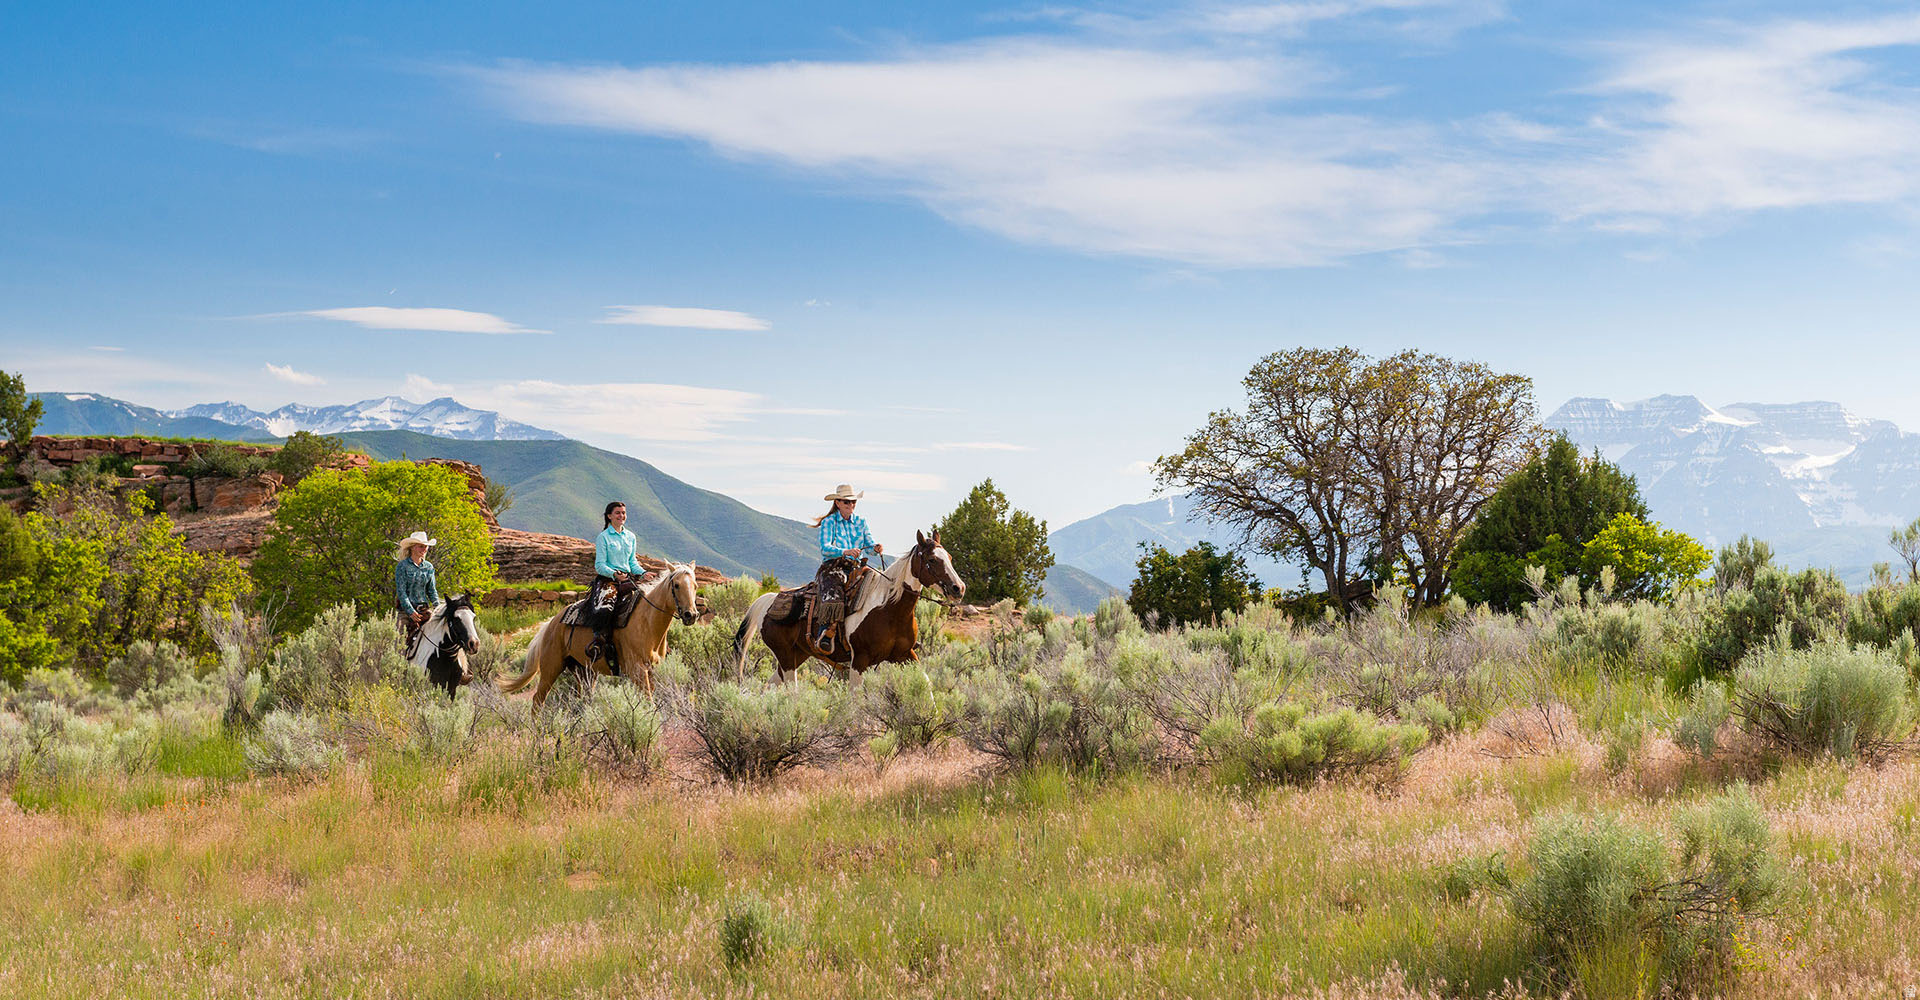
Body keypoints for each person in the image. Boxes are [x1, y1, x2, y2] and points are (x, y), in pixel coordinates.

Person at [811, 484, 882, 653]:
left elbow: (869, 545)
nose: (850, 505)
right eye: (846, 502)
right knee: (833, 593)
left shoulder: (861, 522)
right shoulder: (829, 522)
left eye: (853, 502)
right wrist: (844, 551)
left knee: (878, 586)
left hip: (856, 567)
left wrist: (875, 548)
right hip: (833, 567)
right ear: (837, 503)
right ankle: (825, 634)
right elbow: (825, 547)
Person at [587, 501, 647, 673]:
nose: (622, 516)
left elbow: (632, 562)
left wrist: (643, 573)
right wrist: (614, 574)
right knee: (606, 606)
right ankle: (599, 640)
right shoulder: (603, 537)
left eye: (623, 513)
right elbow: (599, 565)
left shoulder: (631, 537)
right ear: (609, 516)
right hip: (609, 580)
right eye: (618, 513)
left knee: (649, 601)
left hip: (629, 579)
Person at [393, 530, 440, 655]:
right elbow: (401, 592)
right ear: (413, 548)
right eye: (421, 546)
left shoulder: (429, 567)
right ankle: (399, 665)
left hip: (424, 610)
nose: (424, 549)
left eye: (425, 547)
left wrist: (437, 607)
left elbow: (431, 590)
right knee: (399, 642)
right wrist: (410, 611)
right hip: (405, 612)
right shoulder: (402, 567)